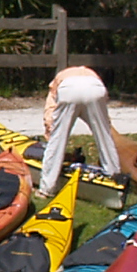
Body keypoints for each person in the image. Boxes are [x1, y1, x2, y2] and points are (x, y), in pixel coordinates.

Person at [35, 64, 121, 195]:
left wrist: (50, 133)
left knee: (57, 142)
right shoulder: (92, 75)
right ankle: (114, 177)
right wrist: (105, 127)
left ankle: (47, 188)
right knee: (104, 138)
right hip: (96, 88)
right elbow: (105, 113)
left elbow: (49, 112)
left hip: (68, 89)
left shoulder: (57, 81)